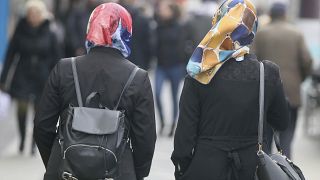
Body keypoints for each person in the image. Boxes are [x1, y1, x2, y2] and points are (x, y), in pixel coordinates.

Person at [33, 3, 156, 180]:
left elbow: (42, 126)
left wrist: (58, 159)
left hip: (65, 172)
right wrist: (136, 173)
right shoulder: (138, 77)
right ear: (126, 31)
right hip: (117, 173)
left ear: (91, 28)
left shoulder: (65, 68)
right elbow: (145, 139)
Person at [171, 0, 289, 179]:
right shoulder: (268, 73)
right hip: (253, 170)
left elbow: (185, 134)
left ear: (219, 23)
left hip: (205, 169)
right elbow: (282, 122)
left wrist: (182, 168)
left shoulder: (200, 72)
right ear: (252, 28)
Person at [252, 2, 313, 158]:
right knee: (286, 136)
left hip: (265, 93)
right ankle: (285, 168)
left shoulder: (261, 34)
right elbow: (307, 61)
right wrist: (300, 78)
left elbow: (252, 60)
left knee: (264, 138)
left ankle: (265, 170)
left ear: (271, 15)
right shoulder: (296, 34)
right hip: (290, 92)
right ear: (285, 15)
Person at [0, 0, 60, 155]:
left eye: (36, 13)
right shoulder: (20, 30)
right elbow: (10, 56)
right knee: (21, 109)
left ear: (42, 15)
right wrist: (4, 78)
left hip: (42, 76)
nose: (32, 16)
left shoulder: (51, 32)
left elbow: (57, 58)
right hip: (23, 74)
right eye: (30, 13)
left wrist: (58, 81)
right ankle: (21, 139)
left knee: (38, 112)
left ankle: (34, 143)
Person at [154, 0, 188, 136]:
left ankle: (173, 124)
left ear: (172, 11)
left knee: (174, 97)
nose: (161, 11)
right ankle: (162, 121)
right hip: (161, 66)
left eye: (164, 9)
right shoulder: (158, 26)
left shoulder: (180, 27)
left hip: (176, 66)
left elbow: (184, 46)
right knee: (157, 93)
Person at [119, 0, 153, 70]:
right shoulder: (144, 20)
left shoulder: (117, 19)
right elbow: (149, 44)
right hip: (139, 61)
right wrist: (148, 62)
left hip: (121, 59)